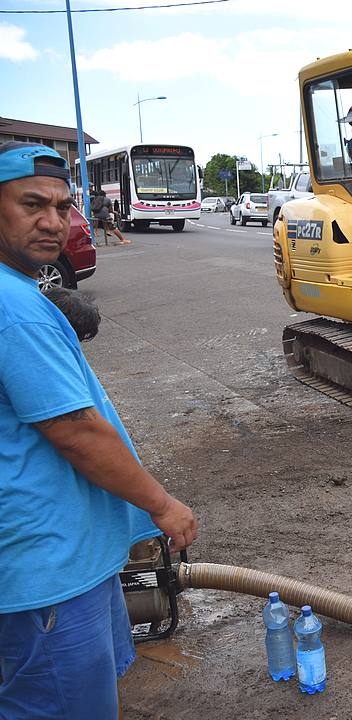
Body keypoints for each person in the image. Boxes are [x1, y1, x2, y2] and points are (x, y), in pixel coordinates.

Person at [0, 142, 198, 717]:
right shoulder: (14, 309)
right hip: (48, 567)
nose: (53, 222)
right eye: (32, 204)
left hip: (65, 555)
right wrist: (162, 506)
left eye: (63, 207)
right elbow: (77, 432)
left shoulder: (19, 293)